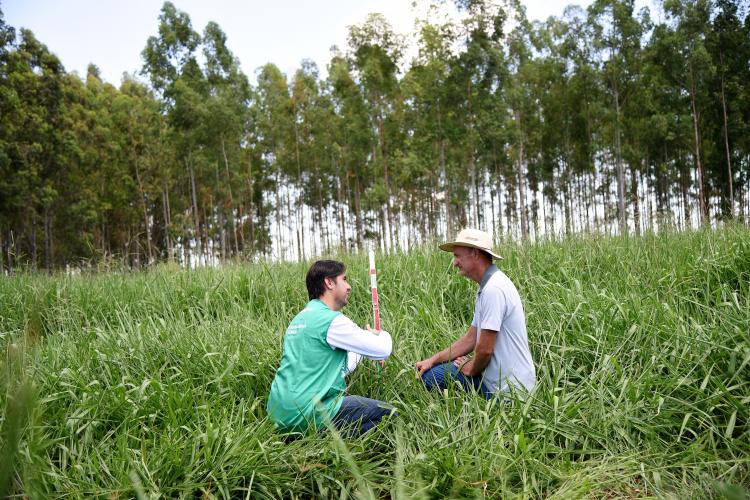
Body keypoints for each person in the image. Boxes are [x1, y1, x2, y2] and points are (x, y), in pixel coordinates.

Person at [267, 260, 395, 435]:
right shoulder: (332, 321)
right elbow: (383, 349)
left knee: (361, 417)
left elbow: (336, 366)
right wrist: (379, 335)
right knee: (390, 413)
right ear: (329, 282)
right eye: (344, 279)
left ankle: (311, 441)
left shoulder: (300, 319)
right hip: (306, 412)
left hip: (279, 415)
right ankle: (330, 444)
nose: (349, 286)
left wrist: (363, 350)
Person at [416, 228, 536, 399]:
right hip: (499, 381)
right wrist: (433, 360)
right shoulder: (487, 287)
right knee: (433, 372)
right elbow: (471, 339)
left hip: (508, 391)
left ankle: (472, 412)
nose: (455, 263)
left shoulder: (494, 289)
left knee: (431, 378)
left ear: (476, 254)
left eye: (458, 256)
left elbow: (485, 349)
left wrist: (471, 368)